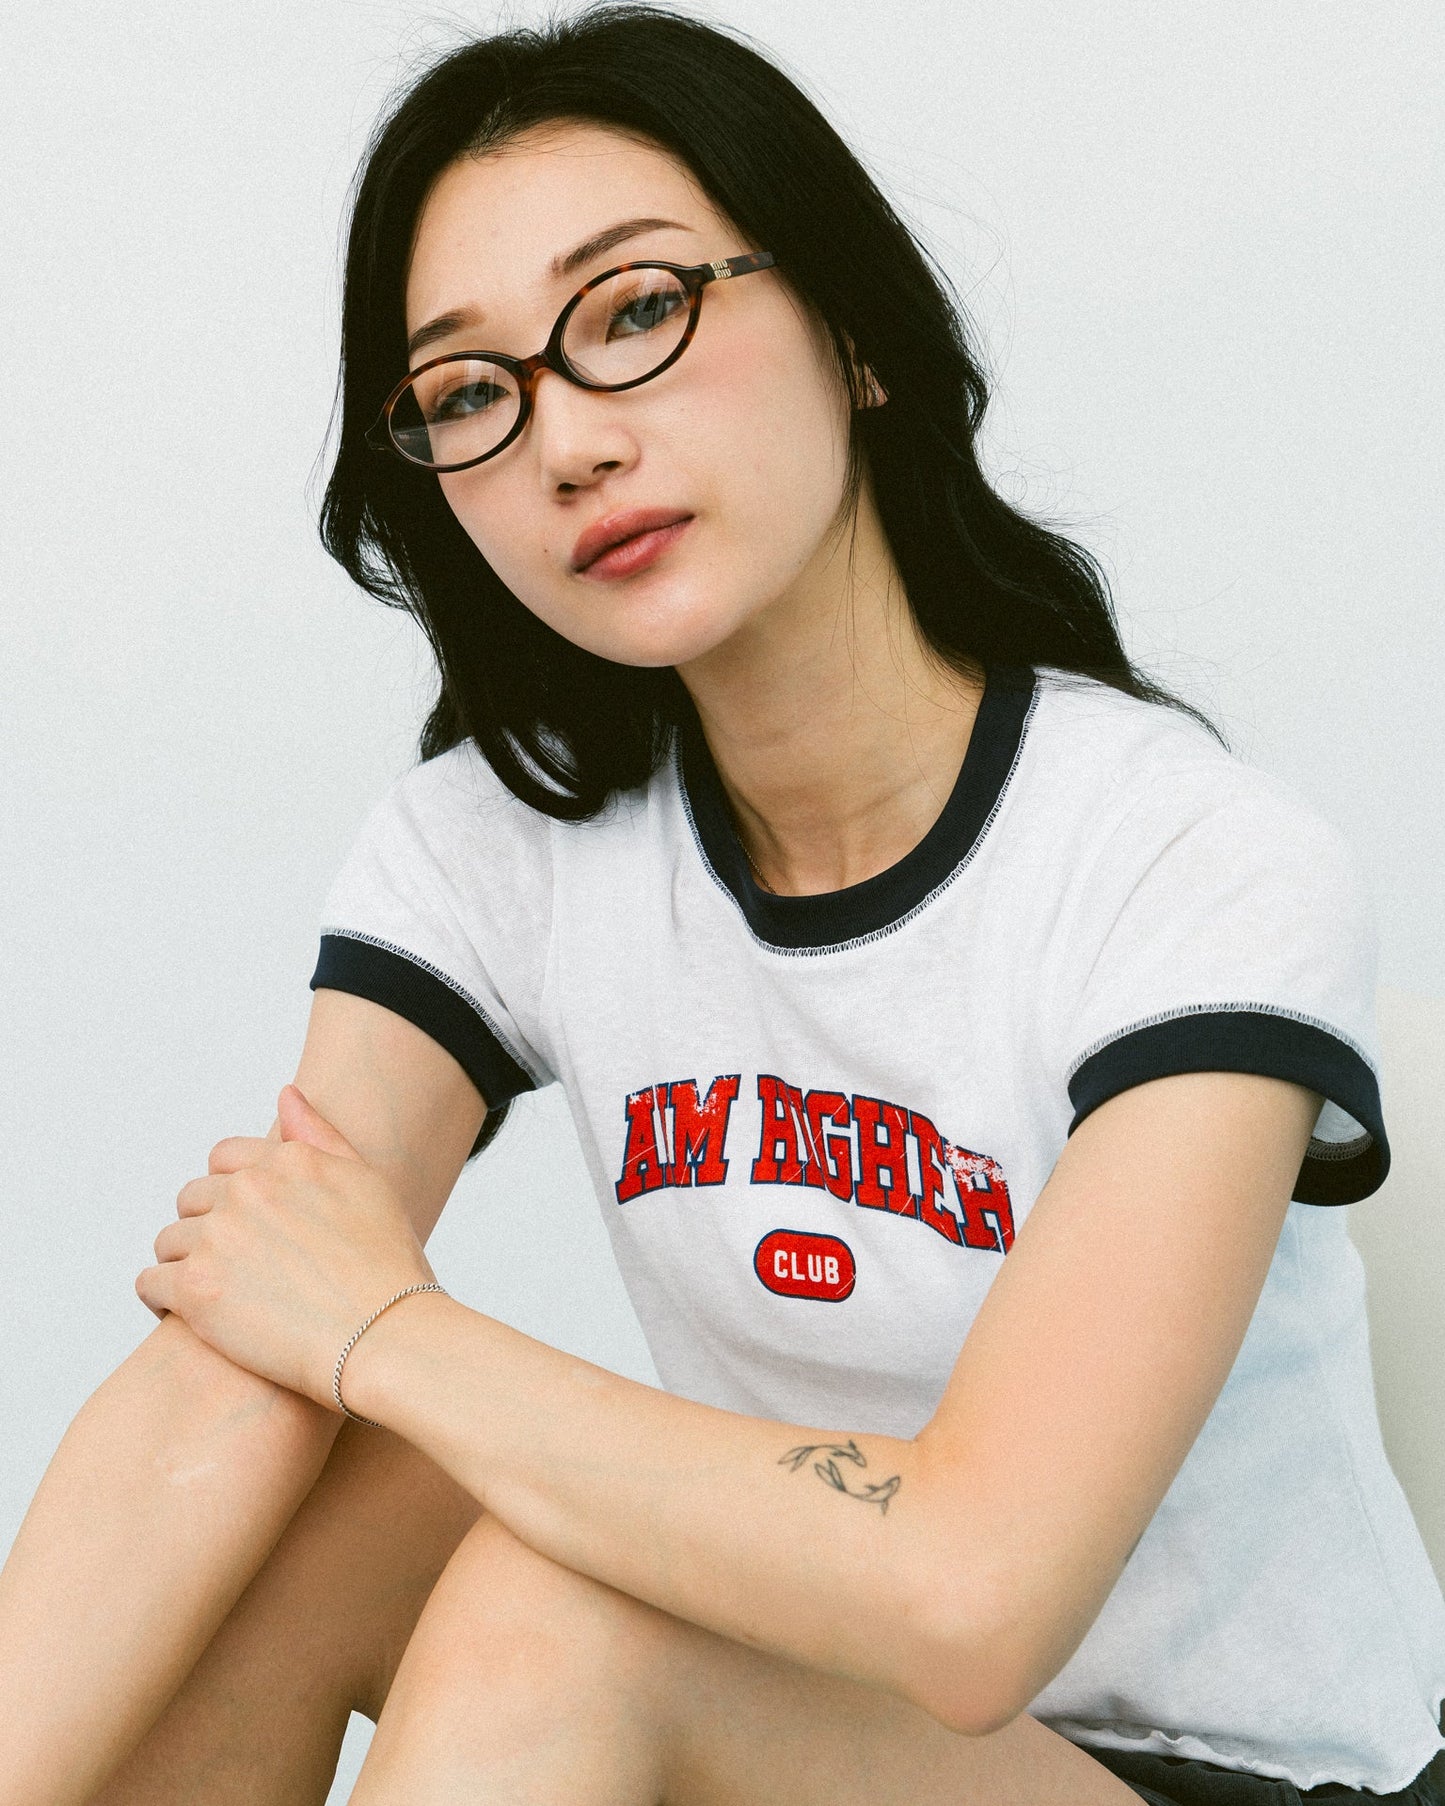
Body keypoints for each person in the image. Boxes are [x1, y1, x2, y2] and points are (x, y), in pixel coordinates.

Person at [3, 6, 1443, 1803]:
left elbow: (972, 1597)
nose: (565, 444)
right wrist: (322, 1329)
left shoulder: (1185, 858)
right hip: (806, 1719)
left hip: (1213, 1773)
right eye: (470, 393)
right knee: (282, 1477)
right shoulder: (499, 841)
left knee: (561, 1605)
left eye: (633, 312)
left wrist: (387, 1330)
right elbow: (254, 1323)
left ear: (855, 336)